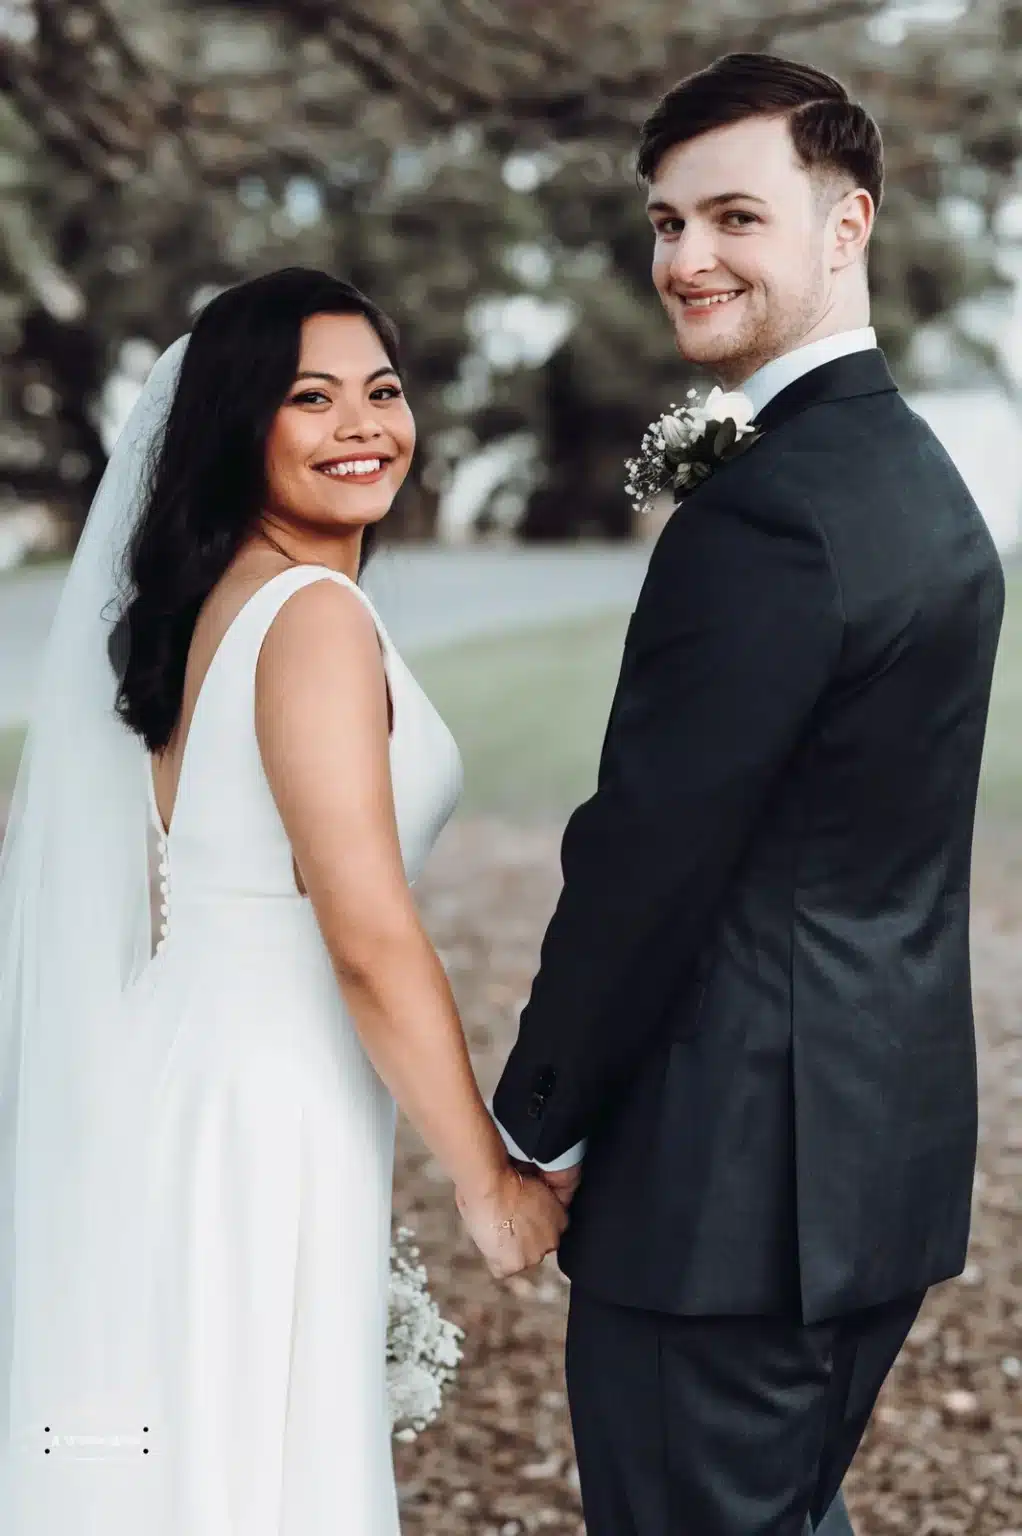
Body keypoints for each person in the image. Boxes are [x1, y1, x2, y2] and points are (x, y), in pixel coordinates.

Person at [493, 52, 1005, 1536]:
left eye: (732, 216)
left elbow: (652, 850)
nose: (685, 257)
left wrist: (539, 1120)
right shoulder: (916, 481)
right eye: (664, 223)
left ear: (845, 225)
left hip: (728, 1199)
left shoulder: (770, 510)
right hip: (864, 1174)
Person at [0, 267, 566, 1534]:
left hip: (202, 1068)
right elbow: (362, 934)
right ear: (239, 426)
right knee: (251, 1466)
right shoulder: (309, 616)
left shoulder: (223, 602)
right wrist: (489, 1185)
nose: (364, 424)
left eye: (381, 389)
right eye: (312, 398)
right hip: (259, 1097)